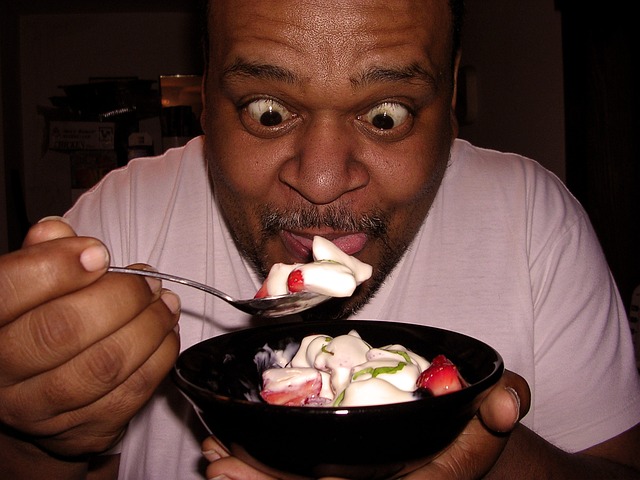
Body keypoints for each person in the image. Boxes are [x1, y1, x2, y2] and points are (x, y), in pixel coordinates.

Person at [1, 0, 639, 478]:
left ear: (447, 98)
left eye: (386, 115)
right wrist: (35, 438)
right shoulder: (120, 221)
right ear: (204, 96)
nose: (323, 183)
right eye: (268, 112)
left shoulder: (532, 218)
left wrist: (489, 460)